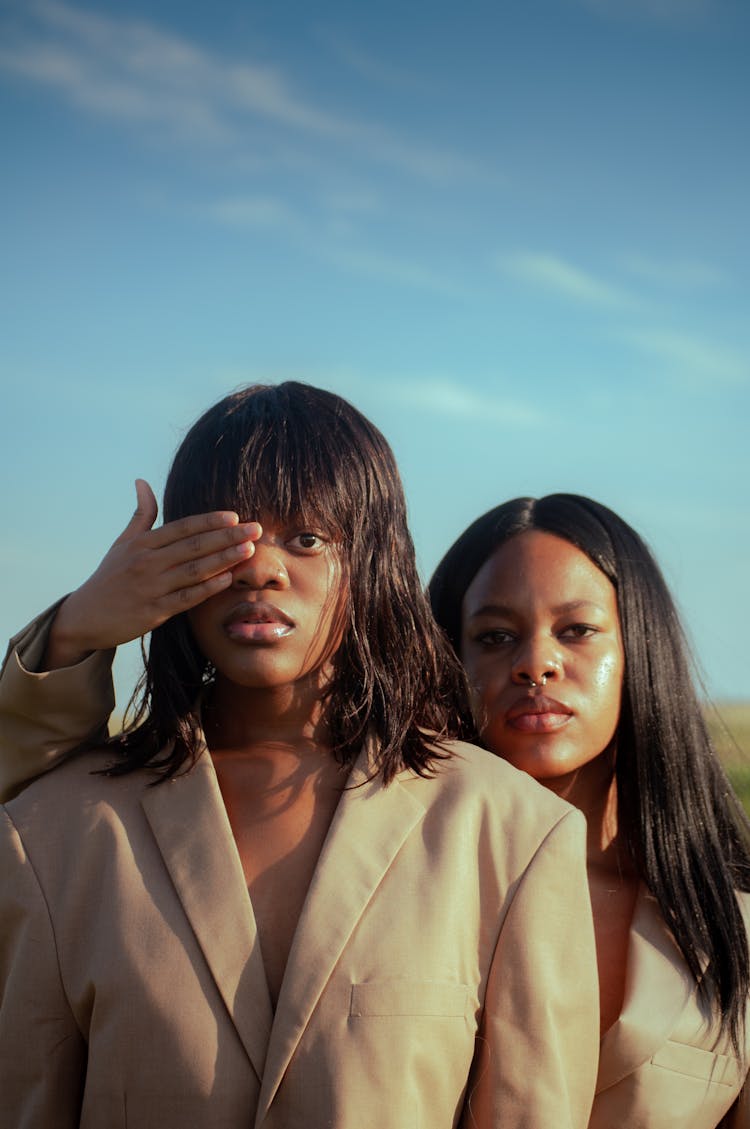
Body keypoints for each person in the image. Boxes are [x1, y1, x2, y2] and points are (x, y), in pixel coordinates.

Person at [0, 386, 599, 1129]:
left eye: (307, 538)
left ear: (375, 555)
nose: (260, 569)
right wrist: (76, 626)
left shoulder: (511, 832)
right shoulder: (56, 830)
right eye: (227, 536)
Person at [428, 494, 750, 1128]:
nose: (535, 663)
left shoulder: (732, 921)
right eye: (495, 637)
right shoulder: (396, 890)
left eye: (576, 630)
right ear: (449, 658)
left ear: (640, 650)